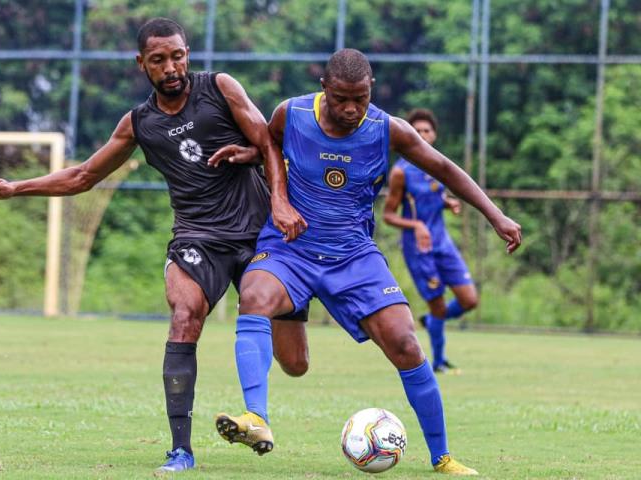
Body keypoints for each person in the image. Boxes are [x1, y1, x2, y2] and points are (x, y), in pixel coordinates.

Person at [0, 17, 310, 474]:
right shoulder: (140, 123)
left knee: (296, 363)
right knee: (184, 314)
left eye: (178, 56)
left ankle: (256, 411)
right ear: (141, 64)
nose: (171, 67)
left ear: (187, 53)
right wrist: (16, 187)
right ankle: (182, 450)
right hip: (197, 237)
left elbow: (268, 141)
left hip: (257, 231)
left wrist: (279, 200)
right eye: (159, 60)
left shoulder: (221, 88)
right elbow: (82, 176)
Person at [214, 49, 521, 475]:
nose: (351, 108)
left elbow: (445, 168)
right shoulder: (291, 113)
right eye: (341, 98)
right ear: (325, 88)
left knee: (405, 342)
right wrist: (275, 192)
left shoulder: (387, 129)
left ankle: (443, 457)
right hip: (291, 248)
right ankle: (256, 419)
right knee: (255, 296)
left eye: (359, 98)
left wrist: (495, 214)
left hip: (353, 256)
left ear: (370, 89)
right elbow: (269, 145)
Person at [383, 108, 477, 374]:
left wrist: (447, 203)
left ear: (434, 134)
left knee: (469, 300)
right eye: (418, 130)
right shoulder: (401, 172)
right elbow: (389, 215)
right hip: (419, 249)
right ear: (409, 133)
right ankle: (438, 361)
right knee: (437, 302)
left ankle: (432, 321)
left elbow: (430, 199)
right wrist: (416, 225)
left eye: (427, 130)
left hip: (443, 243)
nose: (423, 135)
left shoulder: (437, 166)